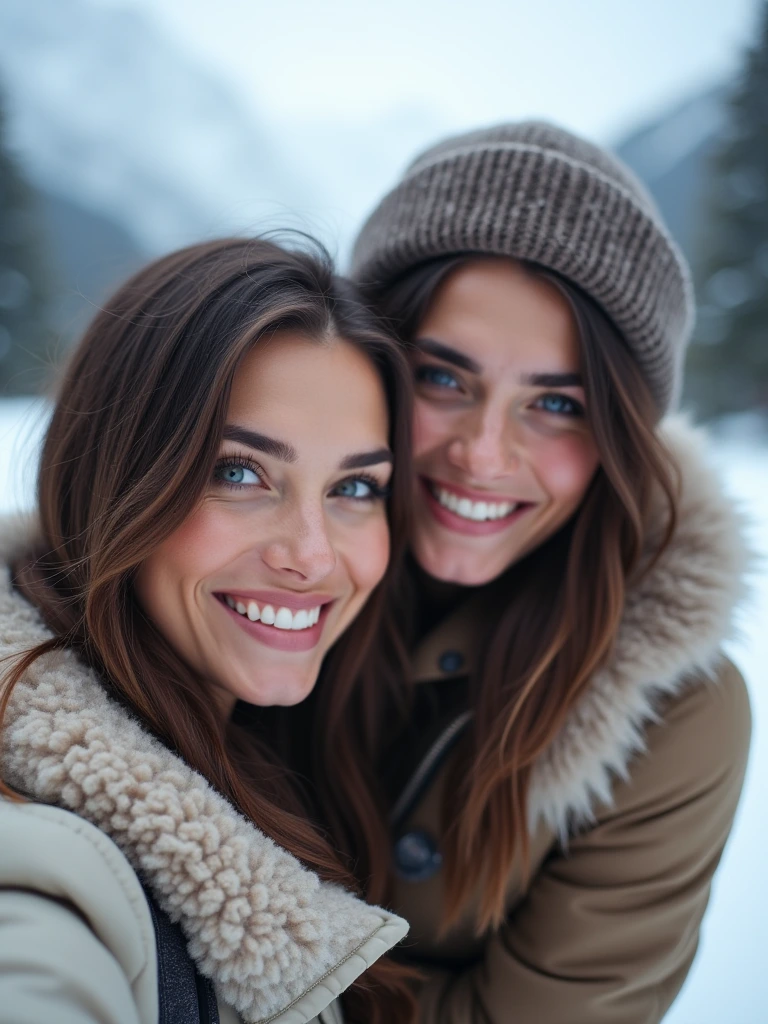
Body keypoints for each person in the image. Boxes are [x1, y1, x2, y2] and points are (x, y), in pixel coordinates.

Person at [323, 122, 751, 1023]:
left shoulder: (674, 710)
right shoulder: (223, 575)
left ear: (620, 437)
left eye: (557, 404)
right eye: (443, 378)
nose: (483, 454)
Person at [0, 237, 418, 1024]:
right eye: (239, 472)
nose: (312, 555)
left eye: (356, 486)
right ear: (115, 476)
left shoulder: (277, 764)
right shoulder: (45, 871)